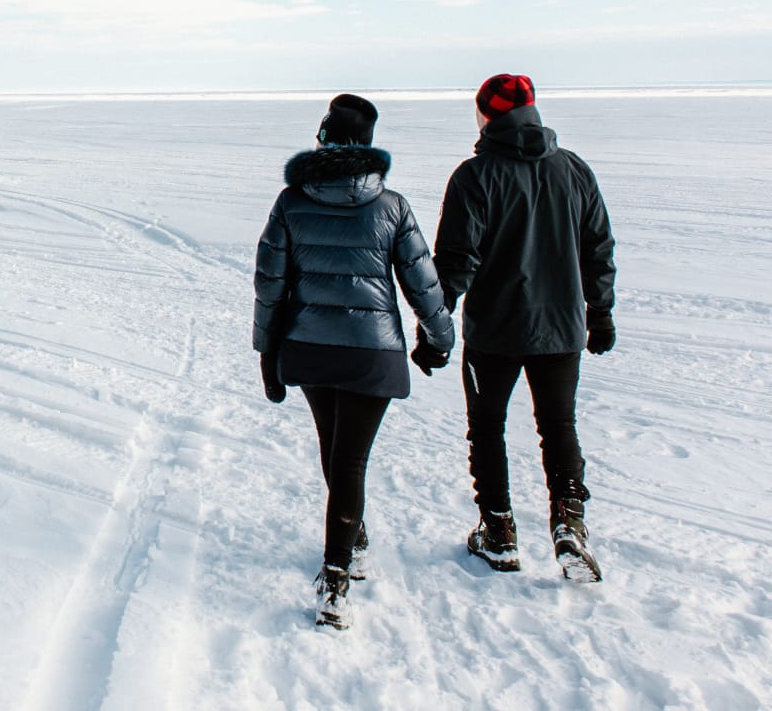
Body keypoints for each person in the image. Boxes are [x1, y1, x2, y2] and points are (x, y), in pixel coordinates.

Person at [253, 93, 455, 629]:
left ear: (323, 139)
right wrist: (440, 337)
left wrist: (267, 351)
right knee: (350, 459)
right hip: (372, 351)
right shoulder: (391, 206)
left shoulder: (292, 201)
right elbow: (421, 279)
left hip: (311, 346)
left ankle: (347, 548)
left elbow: (270, 283)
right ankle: (340, 568)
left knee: (335, 450)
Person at [433, 74, 616, 583]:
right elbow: (597, 247)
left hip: (495, 331)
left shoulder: (475, 176)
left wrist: (434, 323)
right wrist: (598, 312)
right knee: (558, 425)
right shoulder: (574, 169)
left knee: (488, 427)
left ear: (484, 116)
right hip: (561, 329)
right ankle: (569, 523)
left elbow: (454, 261)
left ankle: (498, 532)